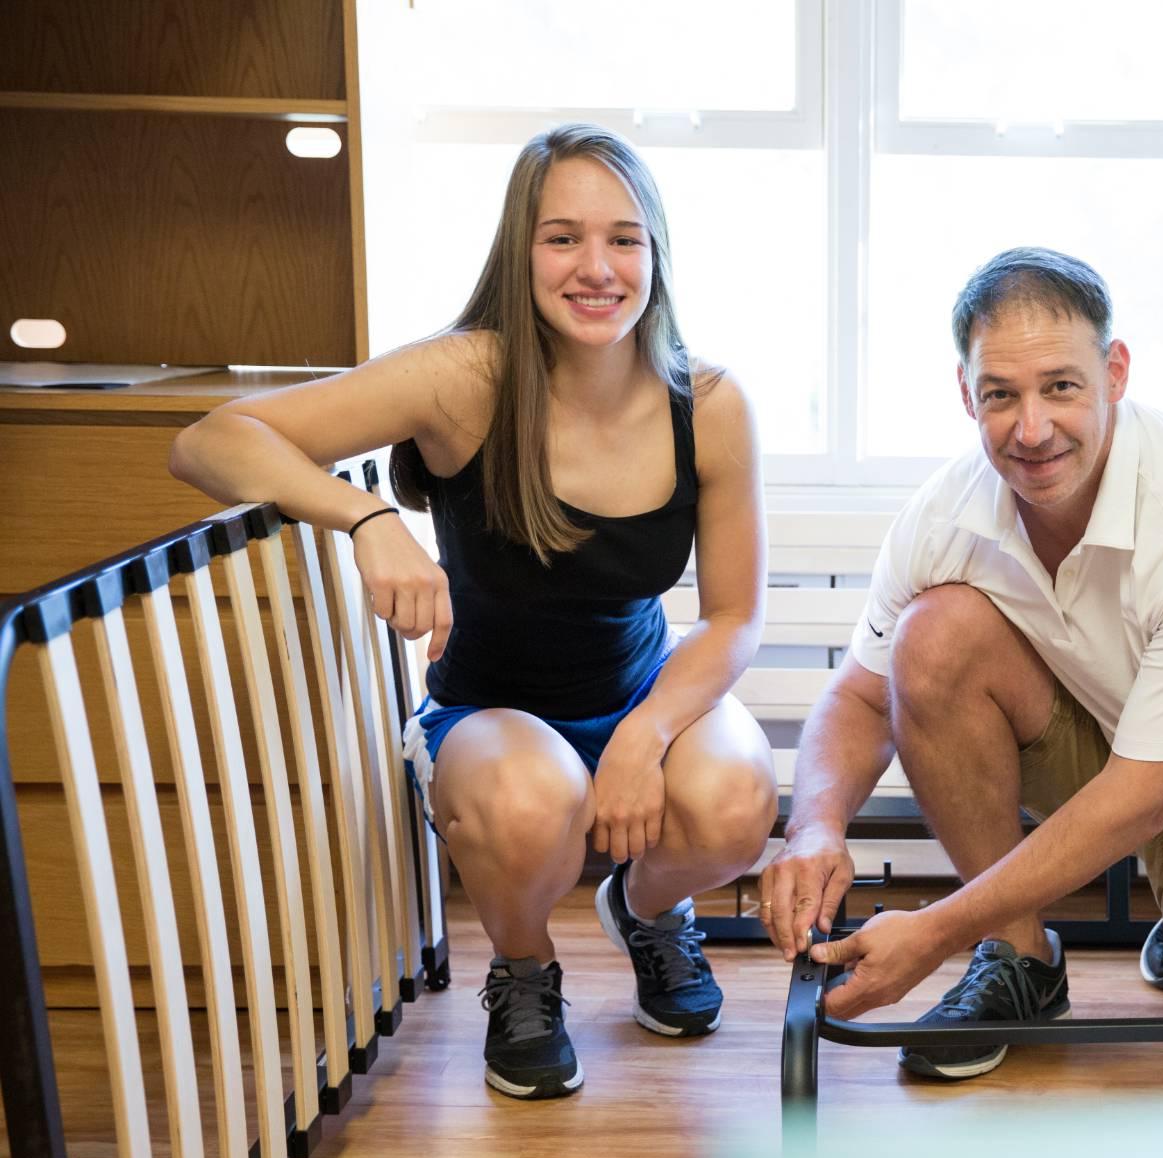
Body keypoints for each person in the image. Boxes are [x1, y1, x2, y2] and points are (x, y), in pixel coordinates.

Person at [170, 123, 776, 1100]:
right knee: (534, 801)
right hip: (489, 716)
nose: (596, 267)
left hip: (640, 694)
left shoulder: (706, 402)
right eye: (562, 237)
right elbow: (211, 441)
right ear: (519, 252)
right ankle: (525, 970)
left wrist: (644, 734)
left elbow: (734, 616)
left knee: (737, 801)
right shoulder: (463, 379)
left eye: (623, 238)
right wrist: (365, 516)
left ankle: (651, 912)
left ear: (654, 255)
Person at [758, 247, 1163, 1089]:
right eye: (1000, 394)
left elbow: (1140, 801)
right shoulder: (945, 509)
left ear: (1114, 372)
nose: (1032, 428)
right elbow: (862, 698)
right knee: (930, 637)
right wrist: (815, 825)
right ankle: (1021, 963)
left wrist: (934, 930)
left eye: (1061, 385)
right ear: (966, 392)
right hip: (1118, 741)